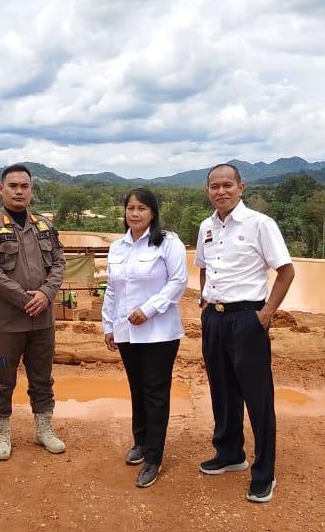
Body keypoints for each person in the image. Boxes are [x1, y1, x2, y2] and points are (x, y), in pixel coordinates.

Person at [194, 163, 295, 503]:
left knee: (258, 397)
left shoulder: (260, 224)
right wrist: (205, 302)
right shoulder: (206, 226)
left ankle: (264, 472)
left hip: (248, 319)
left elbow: (286, 271)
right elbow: (204, 267)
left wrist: (266, 314)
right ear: (207, 190)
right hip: (215, 319)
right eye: (214, 186)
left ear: (241, 187)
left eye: (227, 185)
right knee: (222, 390)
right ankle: (229, 453)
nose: (221, 191)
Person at [0, 164, 67, 460]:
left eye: (24, 186)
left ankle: (44, 429)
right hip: (6, 324)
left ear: (31, 190)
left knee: (42, 378)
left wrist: (46, 294)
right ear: (0, 189)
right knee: (1, 379)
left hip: (42, 321)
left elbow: (59, 263)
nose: (19, 191)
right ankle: (1, 432)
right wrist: (24, 298)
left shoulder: (44, 226)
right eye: (13, 186)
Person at [102, 187, 187, 488]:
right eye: (130, 208)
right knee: (137, 389)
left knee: (155, 393)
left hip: (159, 333)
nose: (135, 213)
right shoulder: (117, 247)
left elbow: (178, 282)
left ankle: (154, 457)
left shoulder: (168, 242)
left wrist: (148, 310)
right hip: (126, 331)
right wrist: (108, 326)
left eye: (142, 208)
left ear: (152, 213)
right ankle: (140, 441)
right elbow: (112, 289)